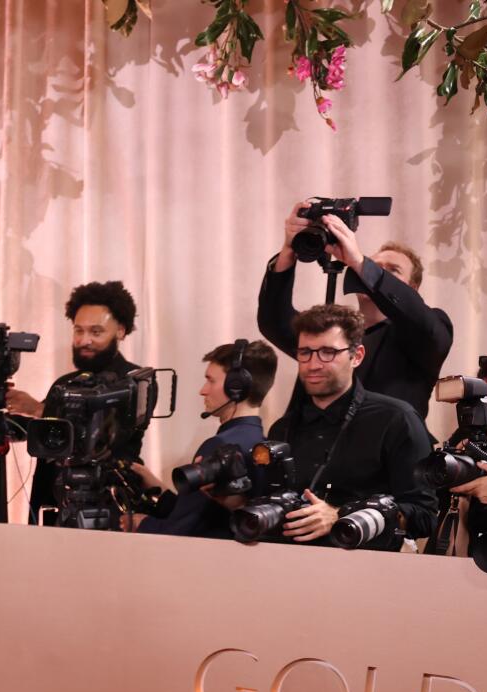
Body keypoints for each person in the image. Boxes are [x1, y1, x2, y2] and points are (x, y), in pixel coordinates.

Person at [257, 203, 451, 420]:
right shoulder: (336, 332)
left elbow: (427, 326)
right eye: (376, 265)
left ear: (412, 288)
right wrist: (289, 251)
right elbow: (274, 321)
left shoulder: (426, 331)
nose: (374, 273)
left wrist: (361, 263)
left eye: (392, 270)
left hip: (386, 449)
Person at [263, 304, 435, 548]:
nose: (313, 365)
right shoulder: (283, 428)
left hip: (365, 571)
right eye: (305, 352)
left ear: (357, 356)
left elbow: (424, 516)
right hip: (290, 564)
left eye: (327, 352)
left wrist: (340, 515)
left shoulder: (397, 419)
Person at [0, 280, 143, 525]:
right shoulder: (67, 382)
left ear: (120, 330)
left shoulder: (135, 381)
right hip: (54, 502)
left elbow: (104, 438)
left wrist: (37, 409)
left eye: (96, 332)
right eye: (79, 330)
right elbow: (38, 430)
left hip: (108, 506)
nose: (84, 340)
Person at [132, 340, 279, 540]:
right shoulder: (262, 442)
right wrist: (155, 484)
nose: (203, 390)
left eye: (211, 380)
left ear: (237, 387)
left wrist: (139, 524)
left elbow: (181, 530)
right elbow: (206, 512)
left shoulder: (220, 447)